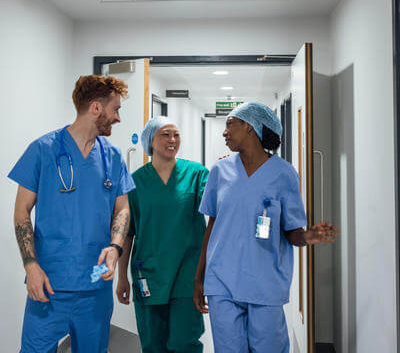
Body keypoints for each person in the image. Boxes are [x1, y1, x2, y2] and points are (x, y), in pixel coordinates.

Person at [193, 102, 338, 353]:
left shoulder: (284, 174)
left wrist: (309, 236)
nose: (224, 132)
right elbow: (212, 226)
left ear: (250, 127)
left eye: (230, 124)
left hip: (265, 282)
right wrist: (199, 277)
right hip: (222, 280)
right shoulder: (220, 171)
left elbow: (292, 232)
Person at [8, 75, 135, 353]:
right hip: (49, 284)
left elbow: (122, 207)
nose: (118, 118)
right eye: (116, 109)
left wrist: (115, 247)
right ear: (96, 108)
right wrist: (30, 264)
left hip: (95, 285)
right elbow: (21, 213)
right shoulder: (42, 149)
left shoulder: (112, 156)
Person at [117, 116, 209, 353]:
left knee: (184, 342)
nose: (172, 140)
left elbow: (217, 207)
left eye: (176, 134)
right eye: (165, 135)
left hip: (186, 274)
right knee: (153, 344)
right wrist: (122, 277)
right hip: (149, 273)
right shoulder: (135, 181)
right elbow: (128, 234)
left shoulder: (196, 174)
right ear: (150, 141)